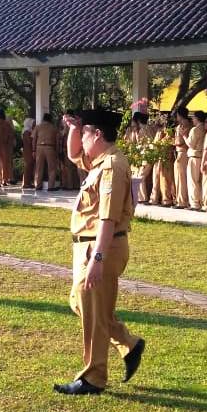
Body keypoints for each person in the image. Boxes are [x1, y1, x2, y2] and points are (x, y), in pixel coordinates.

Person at [55, 108, 144, 395]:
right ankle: (127, 344)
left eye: (85, 133)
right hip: (88, 245)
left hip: (101, 245)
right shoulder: (99, 161)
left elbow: (108, 217)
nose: (81, 139)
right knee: (81, 303)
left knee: (92, 310)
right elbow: (72, 154)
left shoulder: (111, 167)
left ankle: (93, 377)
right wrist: (73, 127)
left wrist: (98, 258)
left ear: (98, 135)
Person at [33, 113, 60, 190]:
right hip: (50, 147)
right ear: (50, 119)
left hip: (39, 147)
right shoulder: (54, 128)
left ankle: (38, 186)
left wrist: (33, 150)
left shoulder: (38, 127)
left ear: (43, 118)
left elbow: (34, 139)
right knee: (52, 168)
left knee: (38, 168)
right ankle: (51, 187)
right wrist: (57, 151)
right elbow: (57, 141)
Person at [186, 111, 206, 211]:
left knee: (193, 181)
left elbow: (190, 144)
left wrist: (184, 135)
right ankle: (200, 202)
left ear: (197, 118)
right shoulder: (205, 128)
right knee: (199, 181)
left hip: (194, 156)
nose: (192, 120)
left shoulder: (195, 129)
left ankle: (195, 203)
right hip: (201, 157)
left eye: (193, 118)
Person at [173, 107, 191, 209]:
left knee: (182, 178)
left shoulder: (186, 125)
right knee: (178, 178)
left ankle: (183, 201)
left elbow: (181, 142)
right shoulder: (179, 126)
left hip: (183, 153)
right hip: (179, 152)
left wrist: (174, 143)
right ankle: (180, 200)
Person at [0, 109, 15, 186]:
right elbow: (11, 135)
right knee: (5, 163)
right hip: (5, 145)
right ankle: (4, 180)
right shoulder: (7, 124)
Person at [21, 117, 36, 188]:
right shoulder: (26, 131)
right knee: (28, 166)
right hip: (28, 150)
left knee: (30, 166)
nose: (34, 125)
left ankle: (28, 182)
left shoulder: (28, 131)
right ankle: (26, 183)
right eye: (33, 123)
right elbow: (29, 141)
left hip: (28, 150)